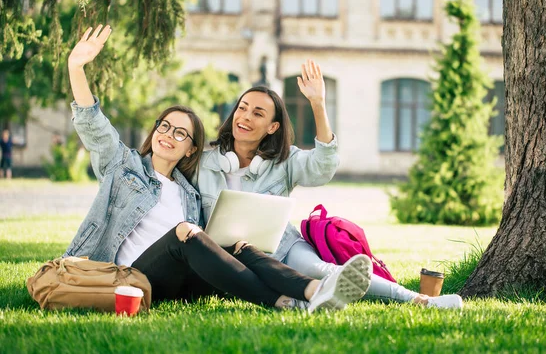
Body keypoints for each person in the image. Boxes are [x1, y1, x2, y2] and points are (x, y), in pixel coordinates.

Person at [62, 24, 372, 313]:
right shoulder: (125, 168)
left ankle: (315, 290)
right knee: (187, 231)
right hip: (133, 280)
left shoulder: (188, 191)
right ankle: (283, 302)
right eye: (165, 126)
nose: (169, 135)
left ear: (192, 149)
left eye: (180, 133)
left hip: (182, 282)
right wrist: (76, 69)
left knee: (236, 245)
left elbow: (322, 165)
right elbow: (94, 128)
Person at [195, 60, 463, 309]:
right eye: (242, 108)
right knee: (282, 281)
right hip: (234, 258)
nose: (245, 117)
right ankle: (308, 298)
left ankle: (421, 300)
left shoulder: (283, 161)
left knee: (323, 270)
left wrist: (318, 103)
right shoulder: (202, 165)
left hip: (284, 247)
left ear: (272, 127)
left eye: (257, 113)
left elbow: (323, 167)